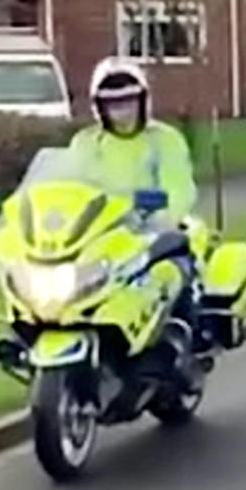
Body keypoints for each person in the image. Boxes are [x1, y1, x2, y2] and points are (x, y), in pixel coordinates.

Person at [67, 58, 205, 339]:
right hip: (99, 238)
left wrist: (165, 217)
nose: (122, 111)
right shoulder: (85, 143)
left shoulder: (165, 140)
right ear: (99, 107)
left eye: (129, 101)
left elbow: (180, 189)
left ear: (143, 101)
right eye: (113, 104)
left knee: (172, 278)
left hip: (152, 237)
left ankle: (181, 341)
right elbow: (65, 187)